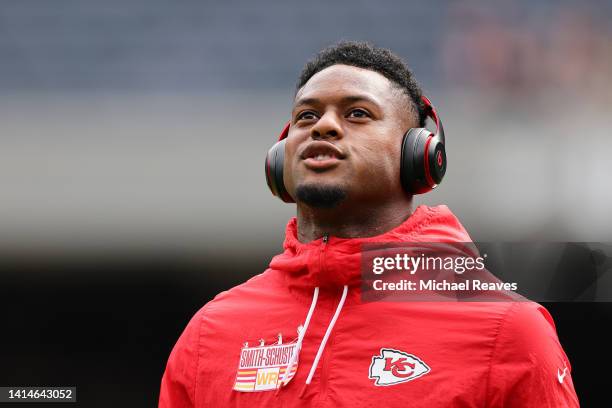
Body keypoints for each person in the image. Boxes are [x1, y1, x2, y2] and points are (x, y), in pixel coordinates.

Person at [159, 41, 579, 407]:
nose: (323, 125)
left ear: (418, 155)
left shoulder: (507, 331)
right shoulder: (209, 335)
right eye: (306, 117)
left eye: (357, 113)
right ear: (279, 160)